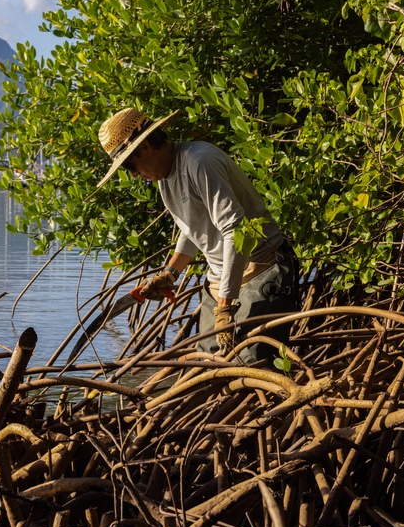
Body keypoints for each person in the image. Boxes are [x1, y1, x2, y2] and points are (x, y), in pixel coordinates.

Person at [96, 107, 298, 362]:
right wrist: (170, 273)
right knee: (208, 364)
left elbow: (234, 229)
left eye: (129, 166)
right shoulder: (164, 179)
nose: (134, 175)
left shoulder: (199, 161)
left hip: (262, 268)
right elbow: (192, 229)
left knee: (252, 362)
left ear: (145, 147)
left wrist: (225, 305)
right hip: (220, 282)